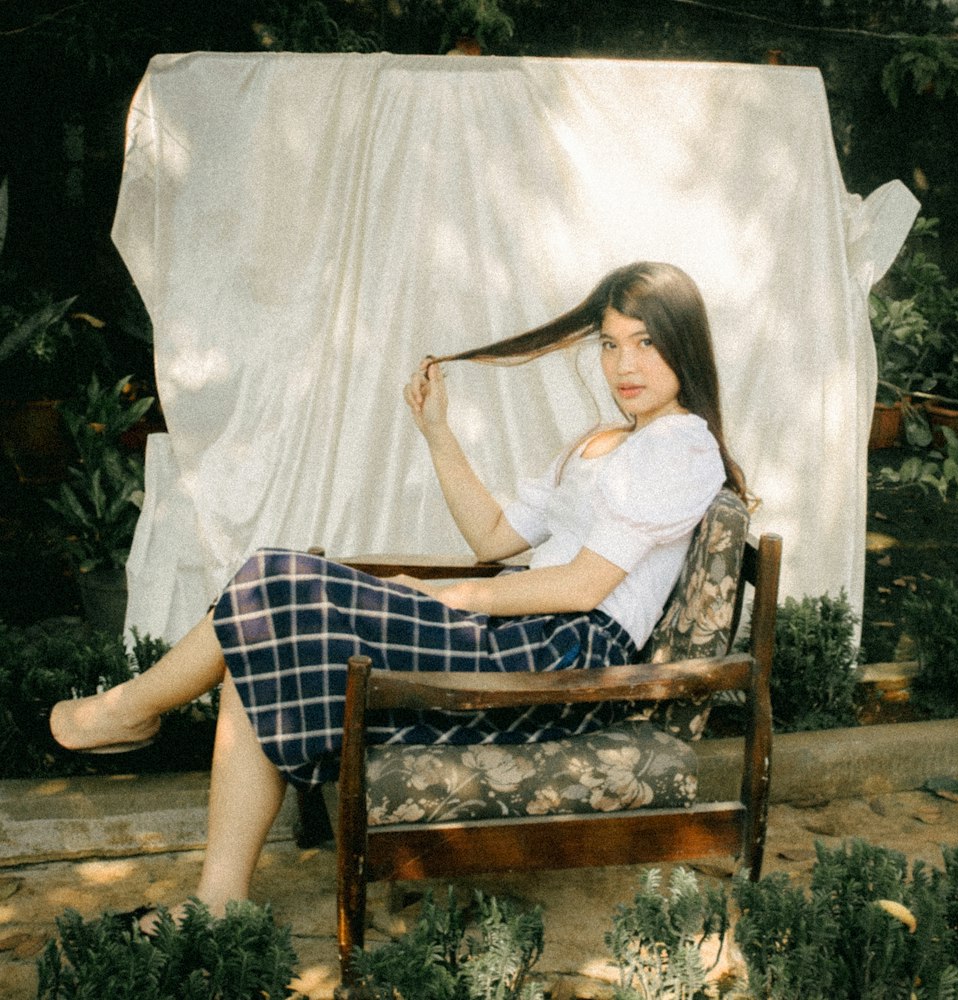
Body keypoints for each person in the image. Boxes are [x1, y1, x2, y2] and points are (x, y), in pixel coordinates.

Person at [49, 261, 747, 926]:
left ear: (683, 347)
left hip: (564, 656)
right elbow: (496, 540)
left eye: (646, 344)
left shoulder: (682, 446)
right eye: (610, 345)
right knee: (256, 640)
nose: (624, 365)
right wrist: (437, 432)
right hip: (529, 630)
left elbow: (586, 584)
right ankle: (220, 899)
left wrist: (450, 598)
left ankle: (131, 711)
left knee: (270, 579)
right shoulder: (605, 441)